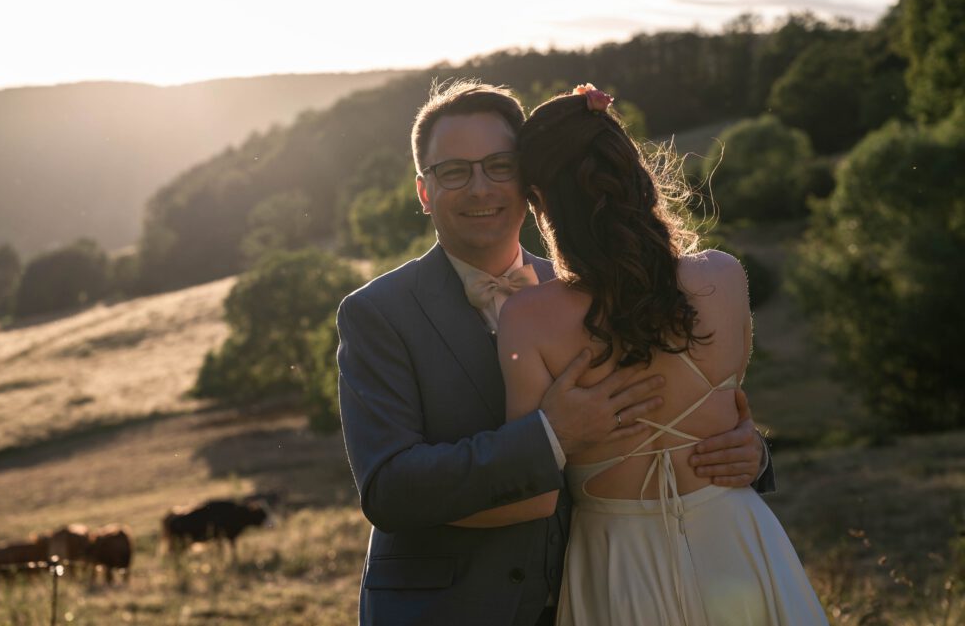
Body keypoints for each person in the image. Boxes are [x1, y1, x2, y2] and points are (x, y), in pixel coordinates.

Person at [336, 80, 772, 626]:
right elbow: (390, 490)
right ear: (424, 192)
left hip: (596, 598)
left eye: (499, 166)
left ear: (529, 181)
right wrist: (550, 437)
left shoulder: (589, 290)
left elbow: (672, 418)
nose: (480, 188)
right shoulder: (376, 313)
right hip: (446, 611)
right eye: (454, 172)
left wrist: (750, 453)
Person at [486, 85, 826, 625]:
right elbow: (732, 410)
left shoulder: (528, 318)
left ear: (539, 201)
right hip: (739, 542)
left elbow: (530, 495)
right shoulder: (724, 277)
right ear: (634, 172)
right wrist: (754, 450)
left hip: (618, 564)